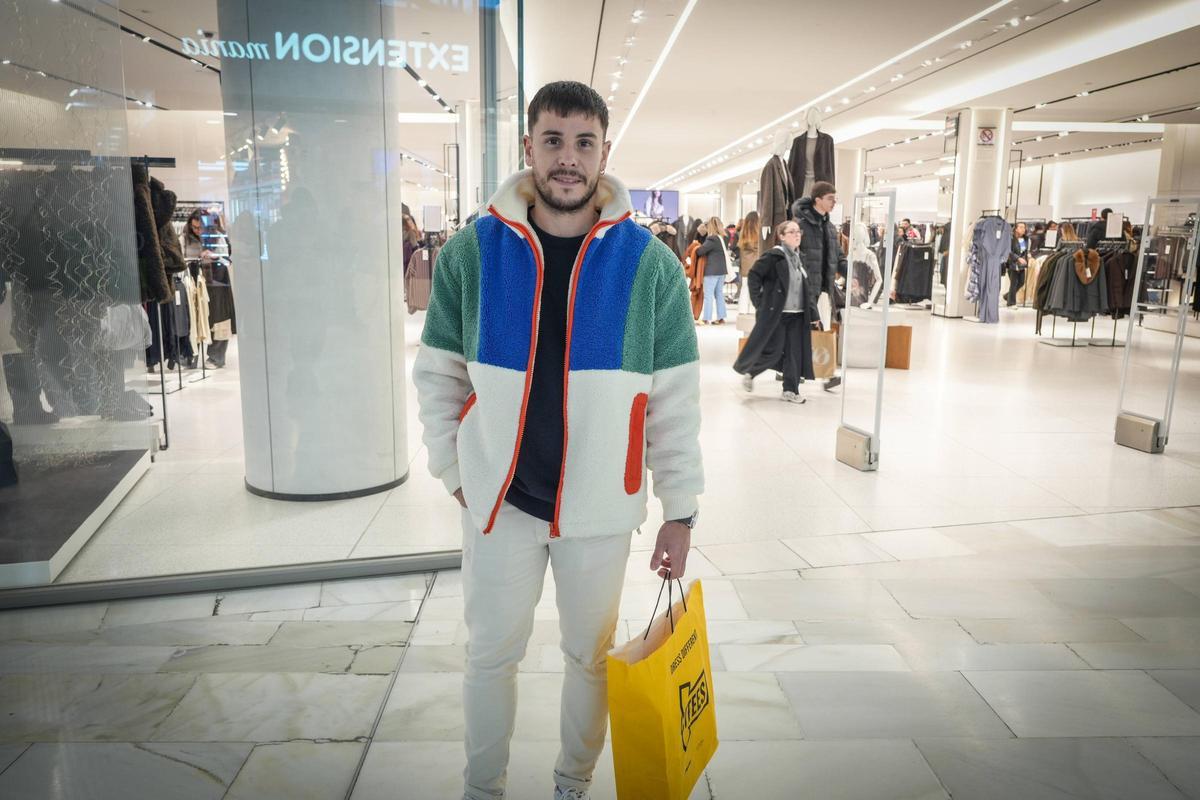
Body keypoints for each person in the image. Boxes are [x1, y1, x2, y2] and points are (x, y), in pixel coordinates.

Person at [412, 80, 703, 800]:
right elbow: (438, 375)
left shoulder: (651, 266)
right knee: (490, 656)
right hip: (501, 501)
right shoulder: (471, 254)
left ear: (605, 152)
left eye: (583, 143)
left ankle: (571, 783)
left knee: (591, 658)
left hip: (602, 505)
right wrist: (456, 470)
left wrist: (680, 507)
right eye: (553, 140)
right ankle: (484, 787)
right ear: (529, 148)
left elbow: (673, 402)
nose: (567, 159)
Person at [732, 219, 813, 403]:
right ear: (782, 236)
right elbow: (754, 276)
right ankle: (751, 372)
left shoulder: (801, 258)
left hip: (798, 315)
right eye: (791, 232)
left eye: (798, 231)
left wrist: (813, 314)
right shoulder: (774, 256)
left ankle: (790, 390)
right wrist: (759, 302)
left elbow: (806, 288)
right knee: (774, 350)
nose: (797, 234)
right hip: (778, 314)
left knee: (794, 353)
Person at [791, 182, 846, 391]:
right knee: (802, 330)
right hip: (804, 288)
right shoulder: (800, 226)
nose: (834, 202)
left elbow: (838, 257)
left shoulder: (830, 228)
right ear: (818, 199)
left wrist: (851, 274)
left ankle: (825, 373)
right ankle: (794, 371)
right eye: (831, 198)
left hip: (824, 289)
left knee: (822, 329)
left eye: (835, 198)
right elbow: (792, 256)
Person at [695, 215, 729, 324]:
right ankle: (721, 317)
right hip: (721, 271)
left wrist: (695, 246)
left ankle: (706, 318)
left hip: (712, 271)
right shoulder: (721, 237)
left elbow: (700, 251)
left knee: (708, 294)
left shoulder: (712, 239)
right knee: (719, 294)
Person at [1006, 221, 1030, 307]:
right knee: (1014, 283)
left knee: (1021, 282)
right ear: (1016, 229)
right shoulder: (1011, 238)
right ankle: (1011, 303)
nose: (1023, 229)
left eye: (1024, 227)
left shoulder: (1025, 238)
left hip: (1022, 264)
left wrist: (1027, 257)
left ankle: (1007, 296)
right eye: (1021, 227)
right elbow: (1009, 251)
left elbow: (1024, 250)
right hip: (1013, 263)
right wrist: (1018, 258)